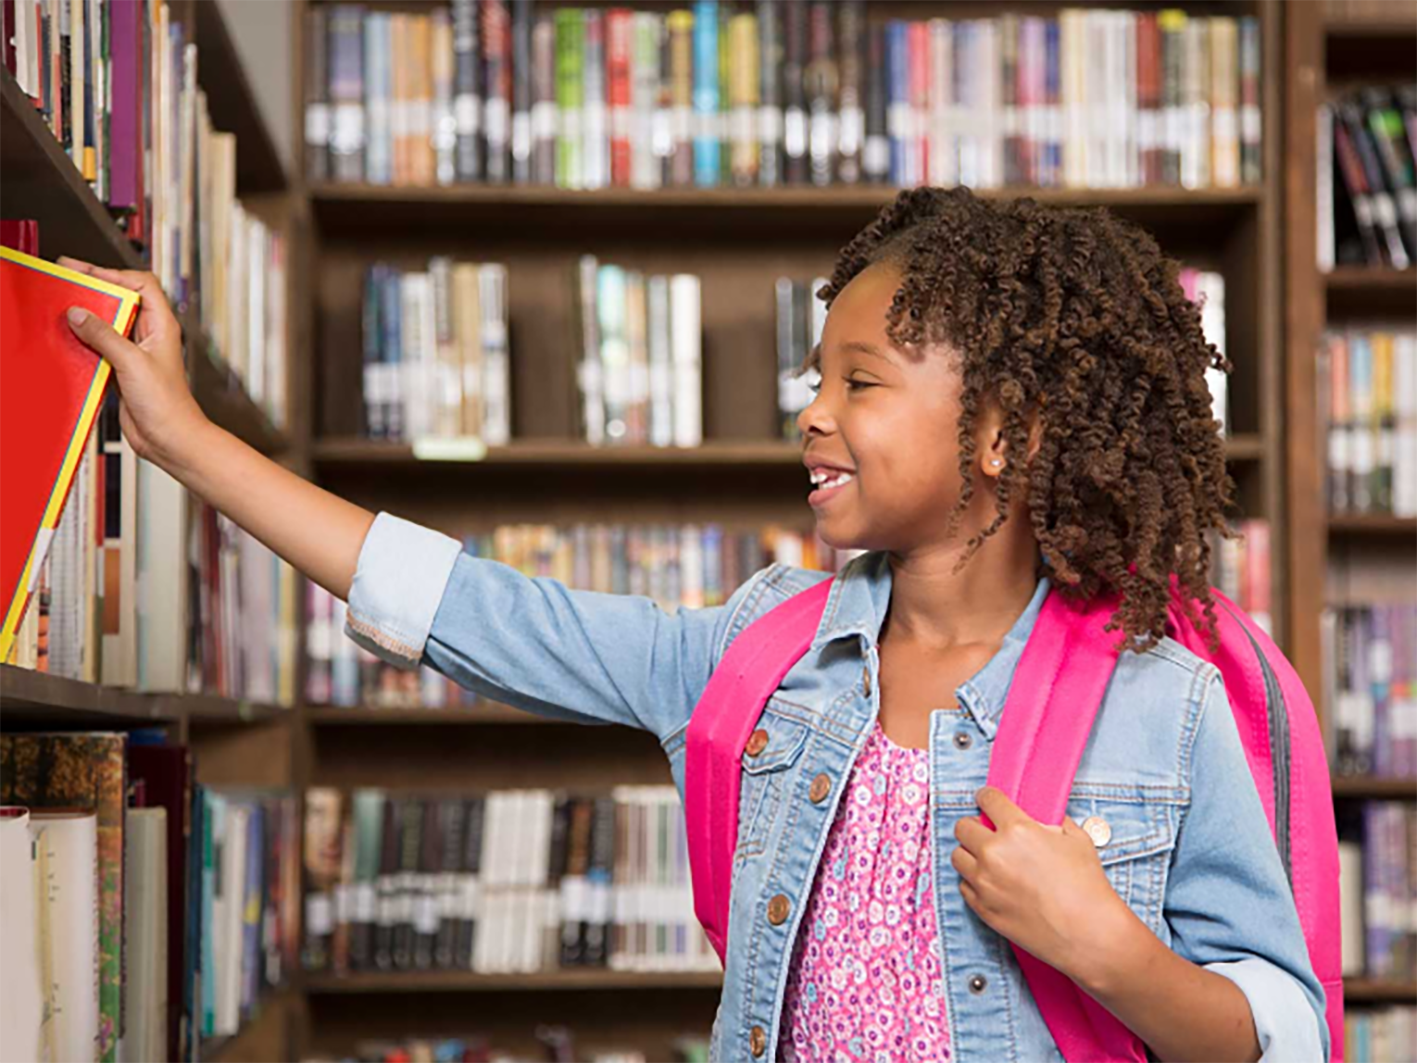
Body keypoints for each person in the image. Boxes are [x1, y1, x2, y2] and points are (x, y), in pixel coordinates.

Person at [62, 186, 1326, 1062]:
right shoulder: (758, 652)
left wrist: (1107, 948)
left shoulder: (1170, 704)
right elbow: (478, 610)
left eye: (859, 381)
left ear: (1007, 433)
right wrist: (189, 441)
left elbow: (1280, 1031)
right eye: (812, 375)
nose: (812, 411)